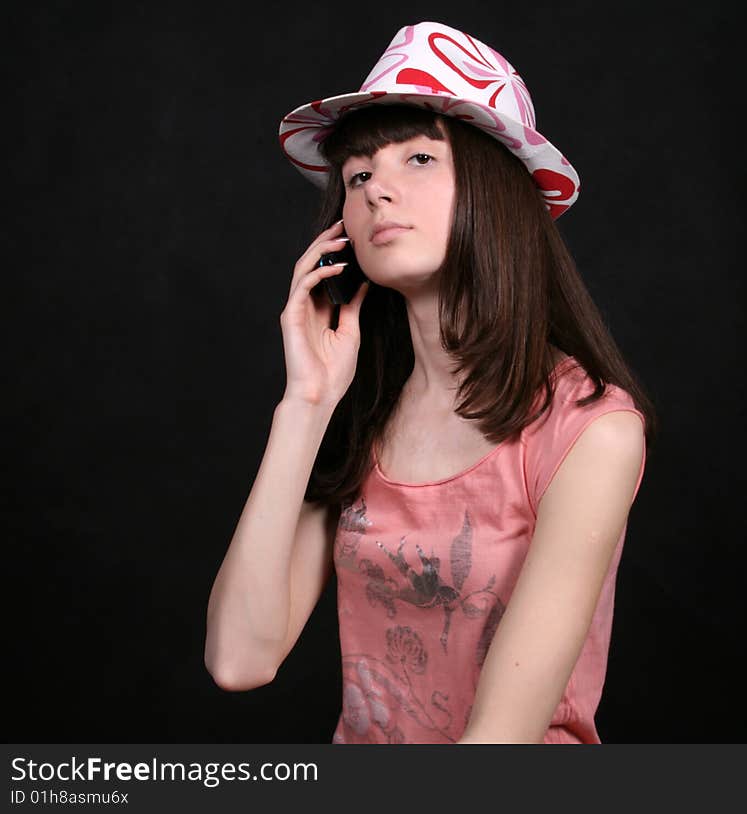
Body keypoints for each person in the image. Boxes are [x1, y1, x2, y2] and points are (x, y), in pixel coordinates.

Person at [205, 21, 658, 744]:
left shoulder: (591, 430)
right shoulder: (361, 411)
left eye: (417, 157)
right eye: (357, 176)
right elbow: (239, 657)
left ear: (497, 189)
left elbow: (498, 743)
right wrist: (306, 404)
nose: (378, 190)